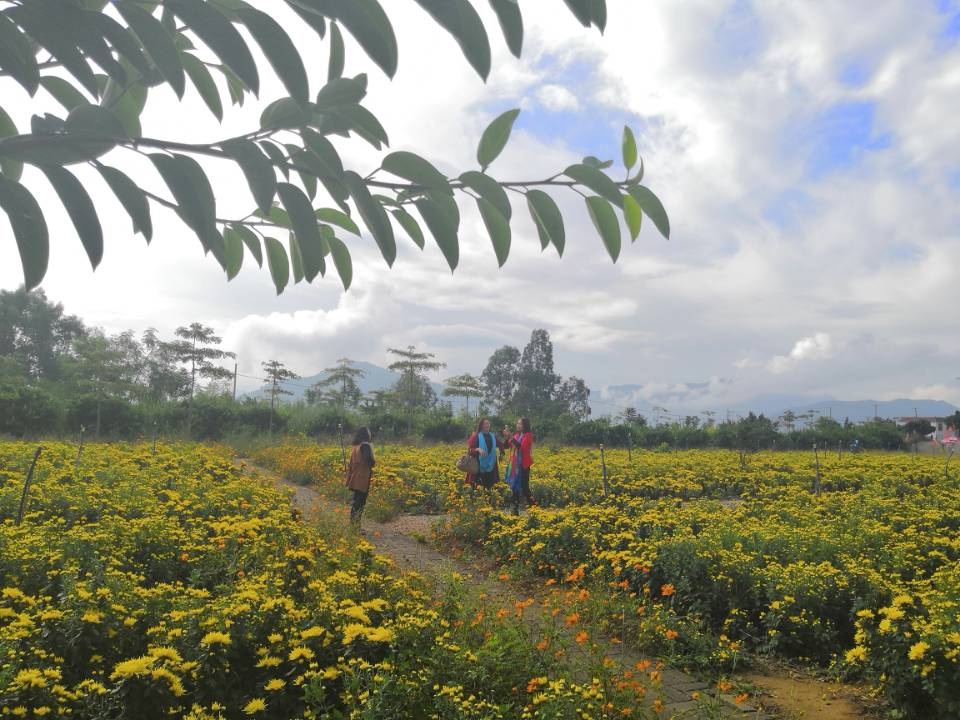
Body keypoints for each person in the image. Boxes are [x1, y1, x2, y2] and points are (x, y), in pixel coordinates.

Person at [345, 426, 375, 532]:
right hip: (362, 477)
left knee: (356, 503)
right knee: (360, 503)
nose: (370, 433)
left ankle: (354, 526)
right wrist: (373, 458)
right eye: (369, 432)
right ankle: (355, 527)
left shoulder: (356, 446)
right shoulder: (365, 445)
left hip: (355, 476)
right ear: (366, 434)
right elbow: (369, 460)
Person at [504, 417, 534, 515]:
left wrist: (510, 437)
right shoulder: (516, 436)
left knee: (525, 487)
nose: (518, 425)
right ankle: (515, 509)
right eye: (517, 423)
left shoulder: (528, 436)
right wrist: (507, 437)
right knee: (514, 487)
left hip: (523, 465)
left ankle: (534, 508)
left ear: (525, 425)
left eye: (520, 424)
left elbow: (521, 447)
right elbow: (506, 446)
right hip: (515, 466)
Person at [466, 418, 501, 491]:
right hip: (478, 466)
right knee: (477, 487)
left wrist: (502, 452)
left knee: (489, 487)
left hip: (491, 466)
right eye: (485, 424)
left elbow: (501, 445)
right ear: (481, 425)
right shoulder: (476, 436)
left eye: (488, 423)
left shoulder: (493, 436)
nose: (487, 425)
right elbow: (470, 450)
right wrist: (477, 449)